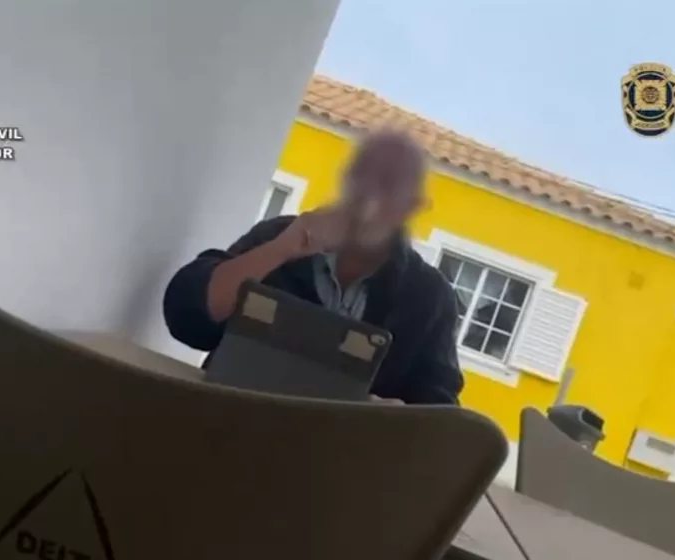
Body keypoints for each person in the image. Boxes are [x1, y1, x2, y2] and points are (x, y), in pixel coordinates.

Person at [162, 130, 463, 405]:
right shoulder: (278, 236)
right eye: (360, 172)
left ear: (412, 205)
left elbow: (439, 408)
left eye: (387, 183)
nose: (368, 192)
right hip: (230, 422)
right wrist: (283, 248)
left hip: (341, 446)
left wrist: (397, 417)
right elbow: (187, 318)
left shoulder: (430, 296)